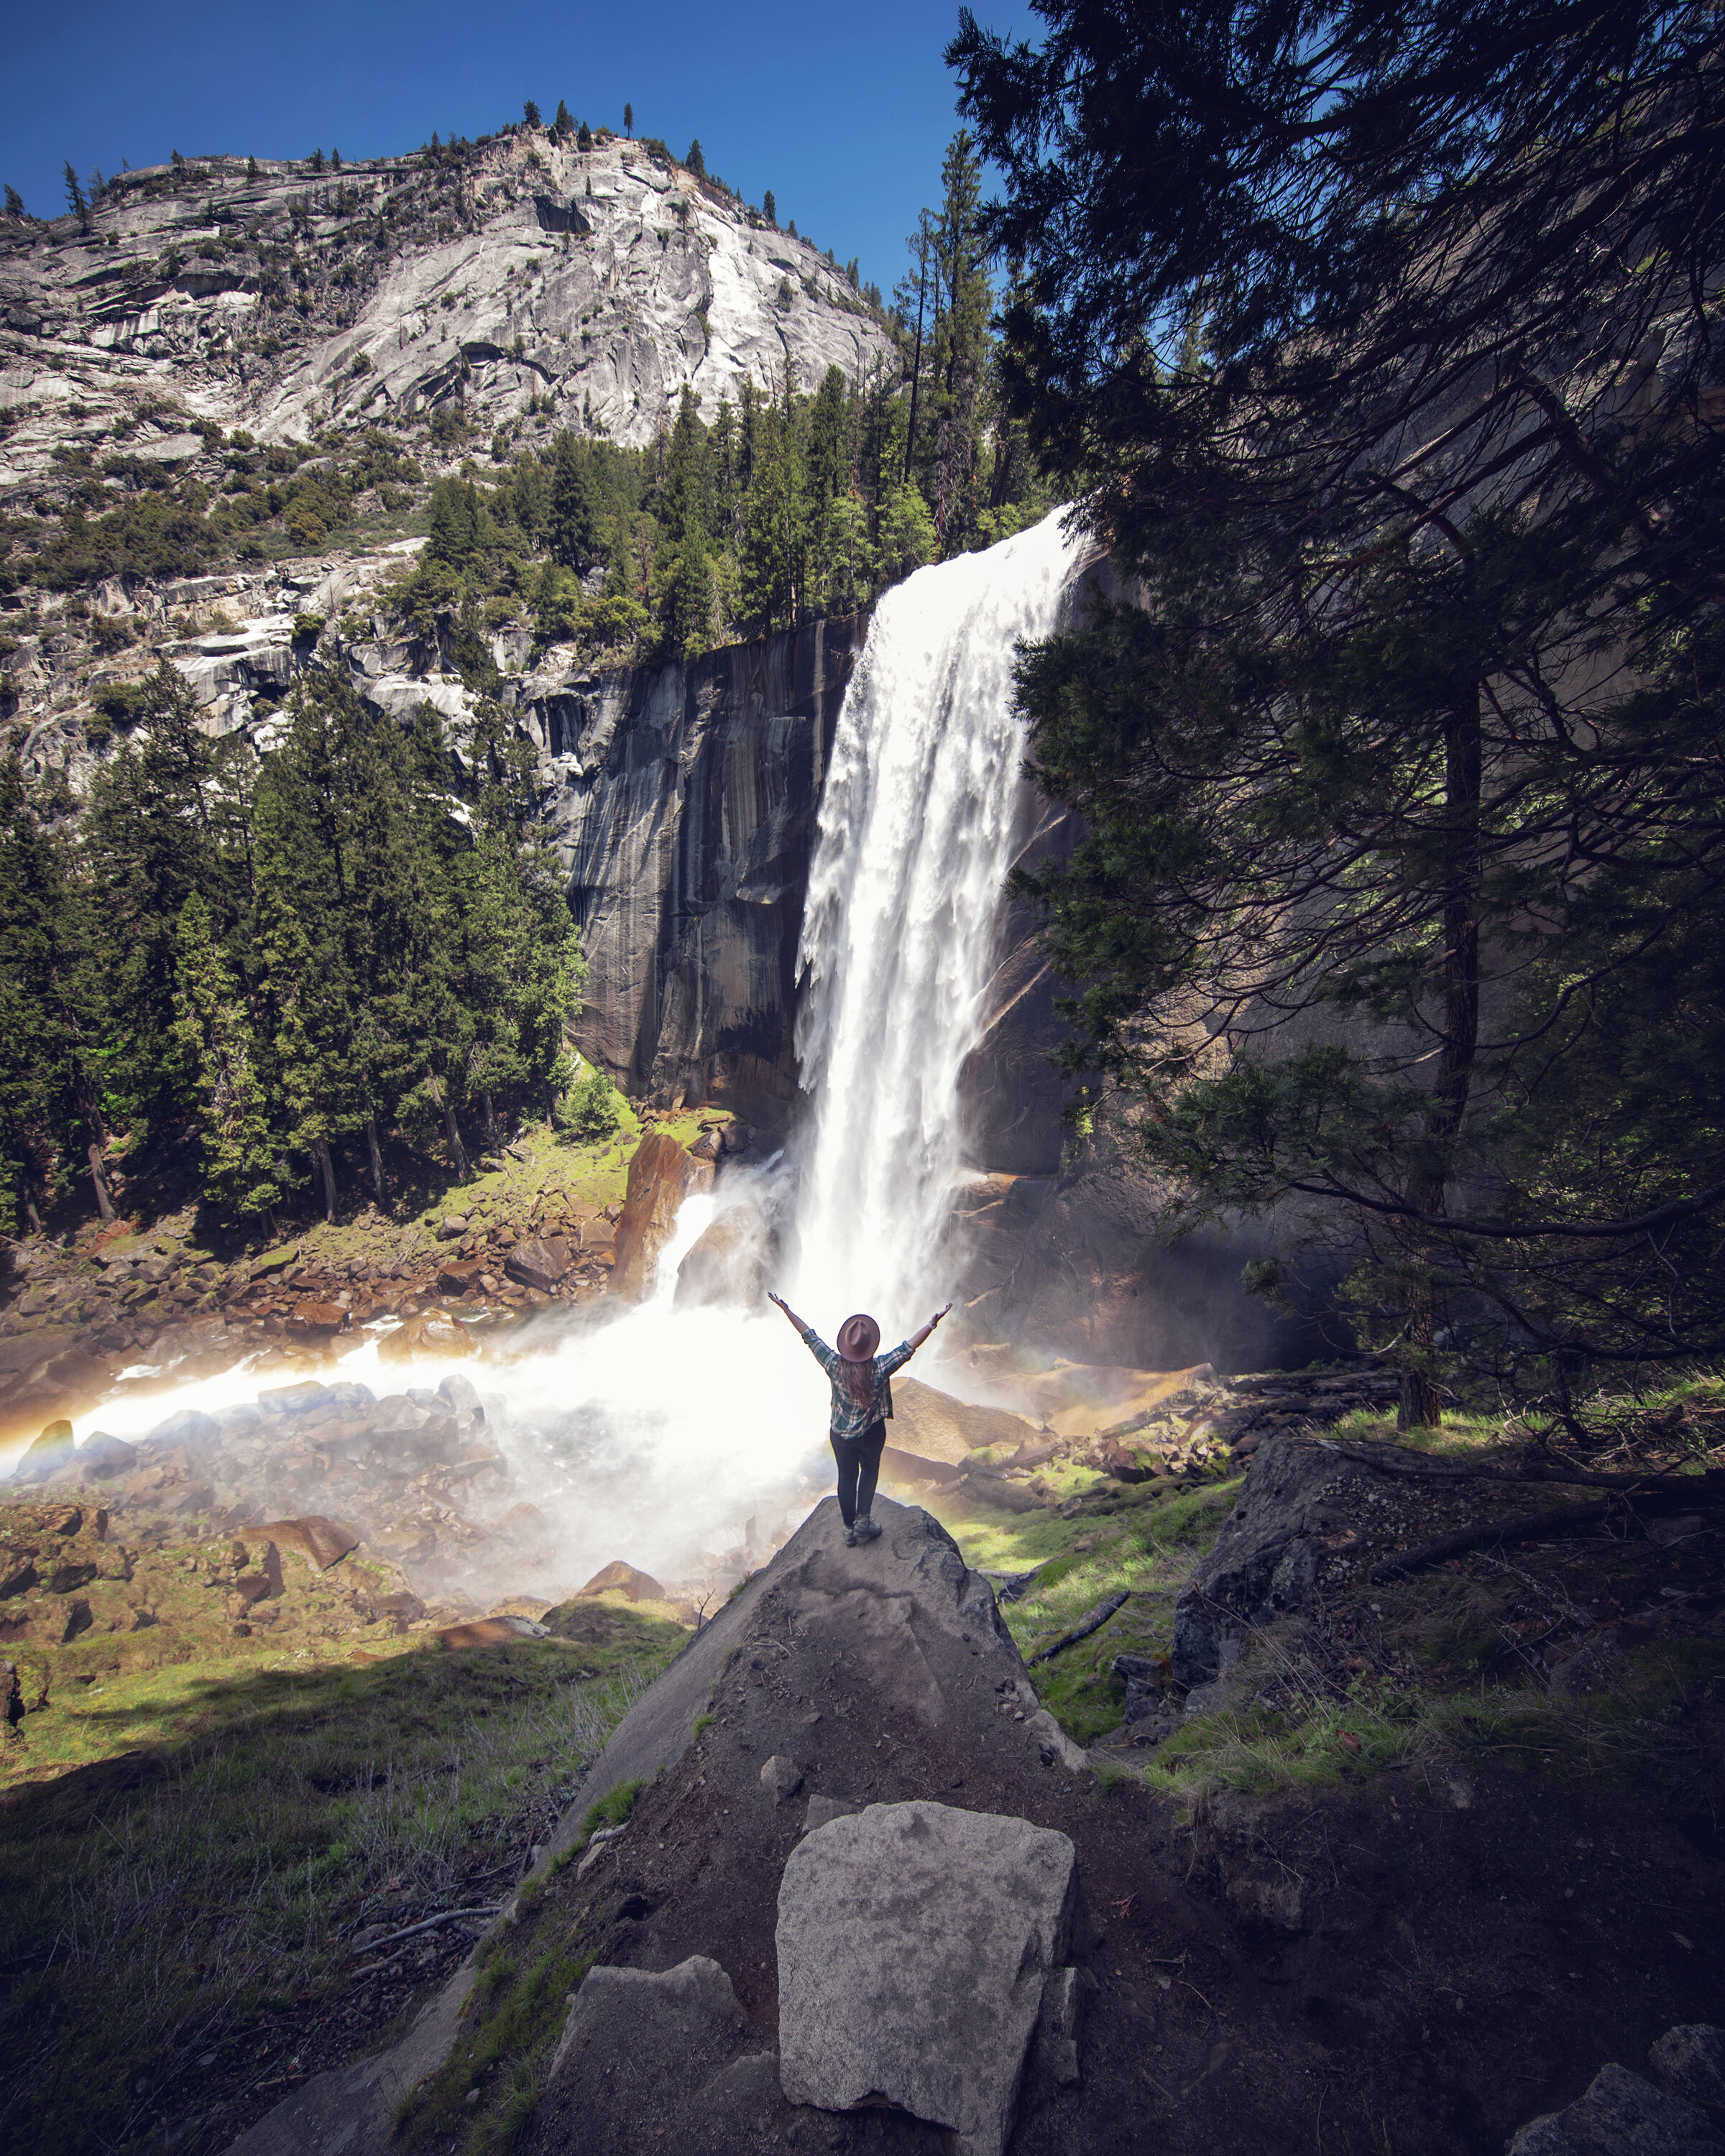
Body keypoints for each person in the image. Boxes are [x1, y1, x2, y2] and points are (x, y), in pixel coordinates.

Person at [768, 1292, 952, 1547]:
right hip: (870, 1434)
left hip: (840, 1434)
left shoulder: (833, 1364)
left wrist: (786, 1310)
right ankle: (863, 1521)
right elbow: (908, 1348)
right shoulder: (880, 1368)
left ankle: (848, 1529)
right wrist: (932, 1324)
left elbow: (810, 1338)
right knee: (870, 1469)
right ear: (870, 1347)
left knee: (846, 1476)